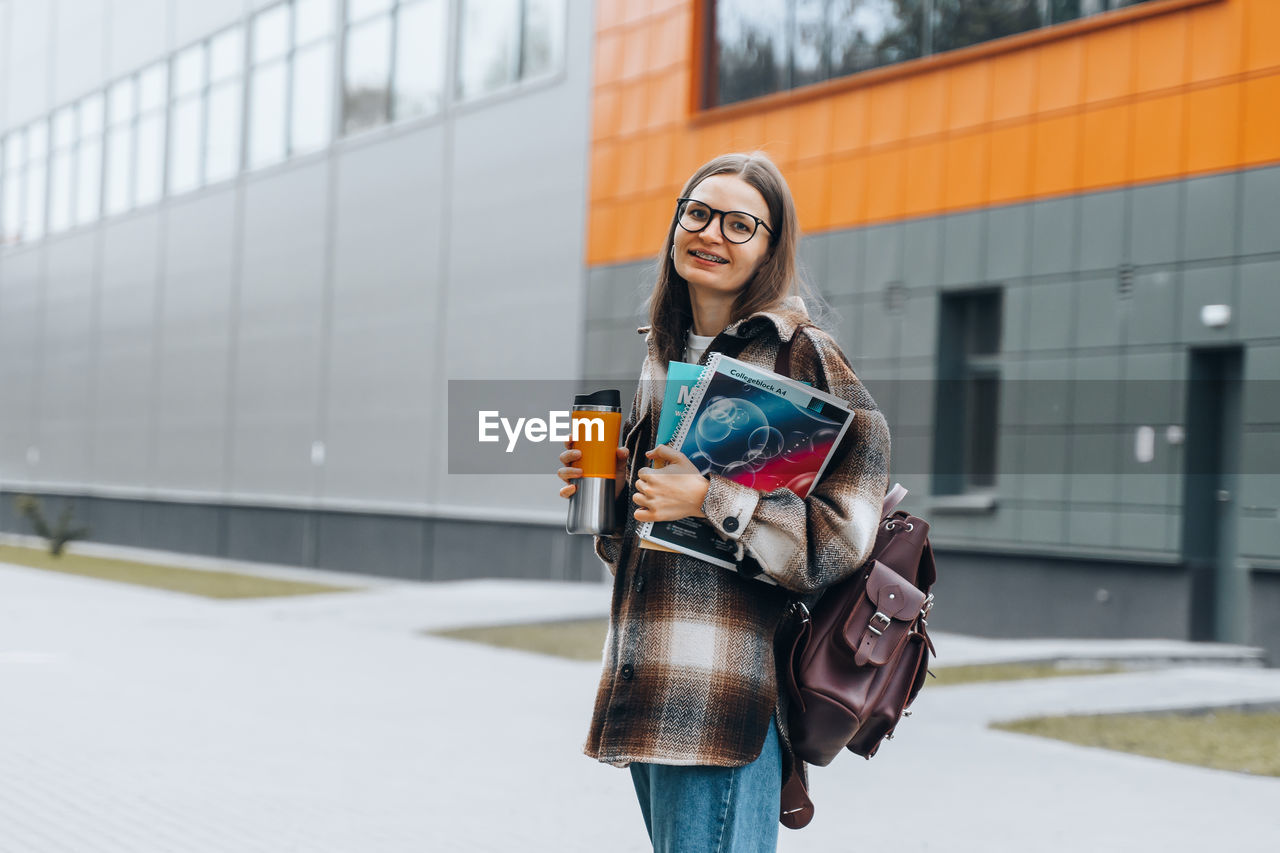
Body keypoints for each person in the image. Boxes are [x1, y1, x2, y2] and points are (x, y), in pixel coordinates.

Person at [557, 151, 890, 852]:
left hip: (724, 697)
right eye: (699, 213)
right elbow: (657, 549)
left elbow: (844, 537)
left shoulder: (801, 355)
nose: (711, 233)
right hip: (651, 685)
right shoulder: (667, 358)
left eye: (741, 224)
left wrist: (711, 496)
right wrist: (621, 498)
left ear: (771, 247)